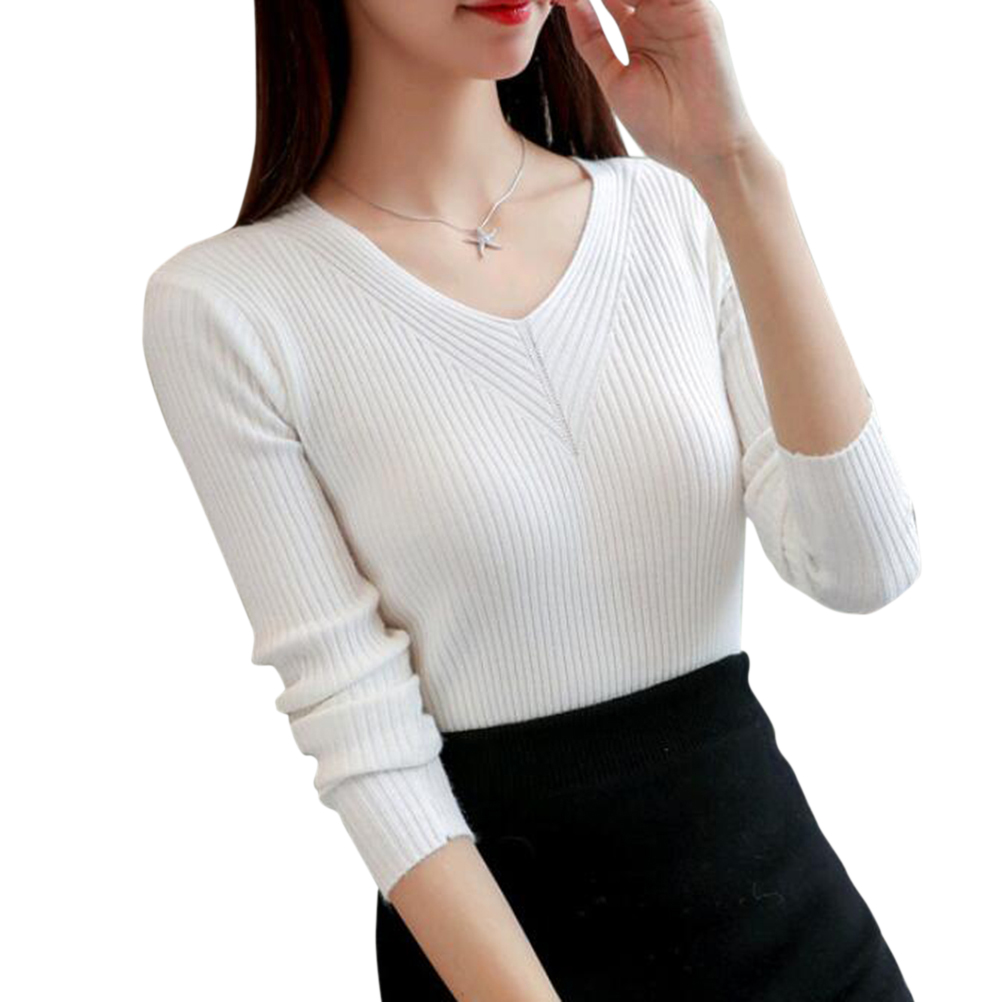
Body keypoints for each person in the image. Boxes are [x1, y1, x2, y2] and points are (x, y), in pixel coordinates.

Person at [141, 1, 921, 999]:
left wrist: (734, 168)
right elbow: (362, 734)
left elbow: (864, 567)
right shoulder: (229, 307)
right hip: (503, 964)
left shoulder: (674, 209)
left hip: (801, 943)